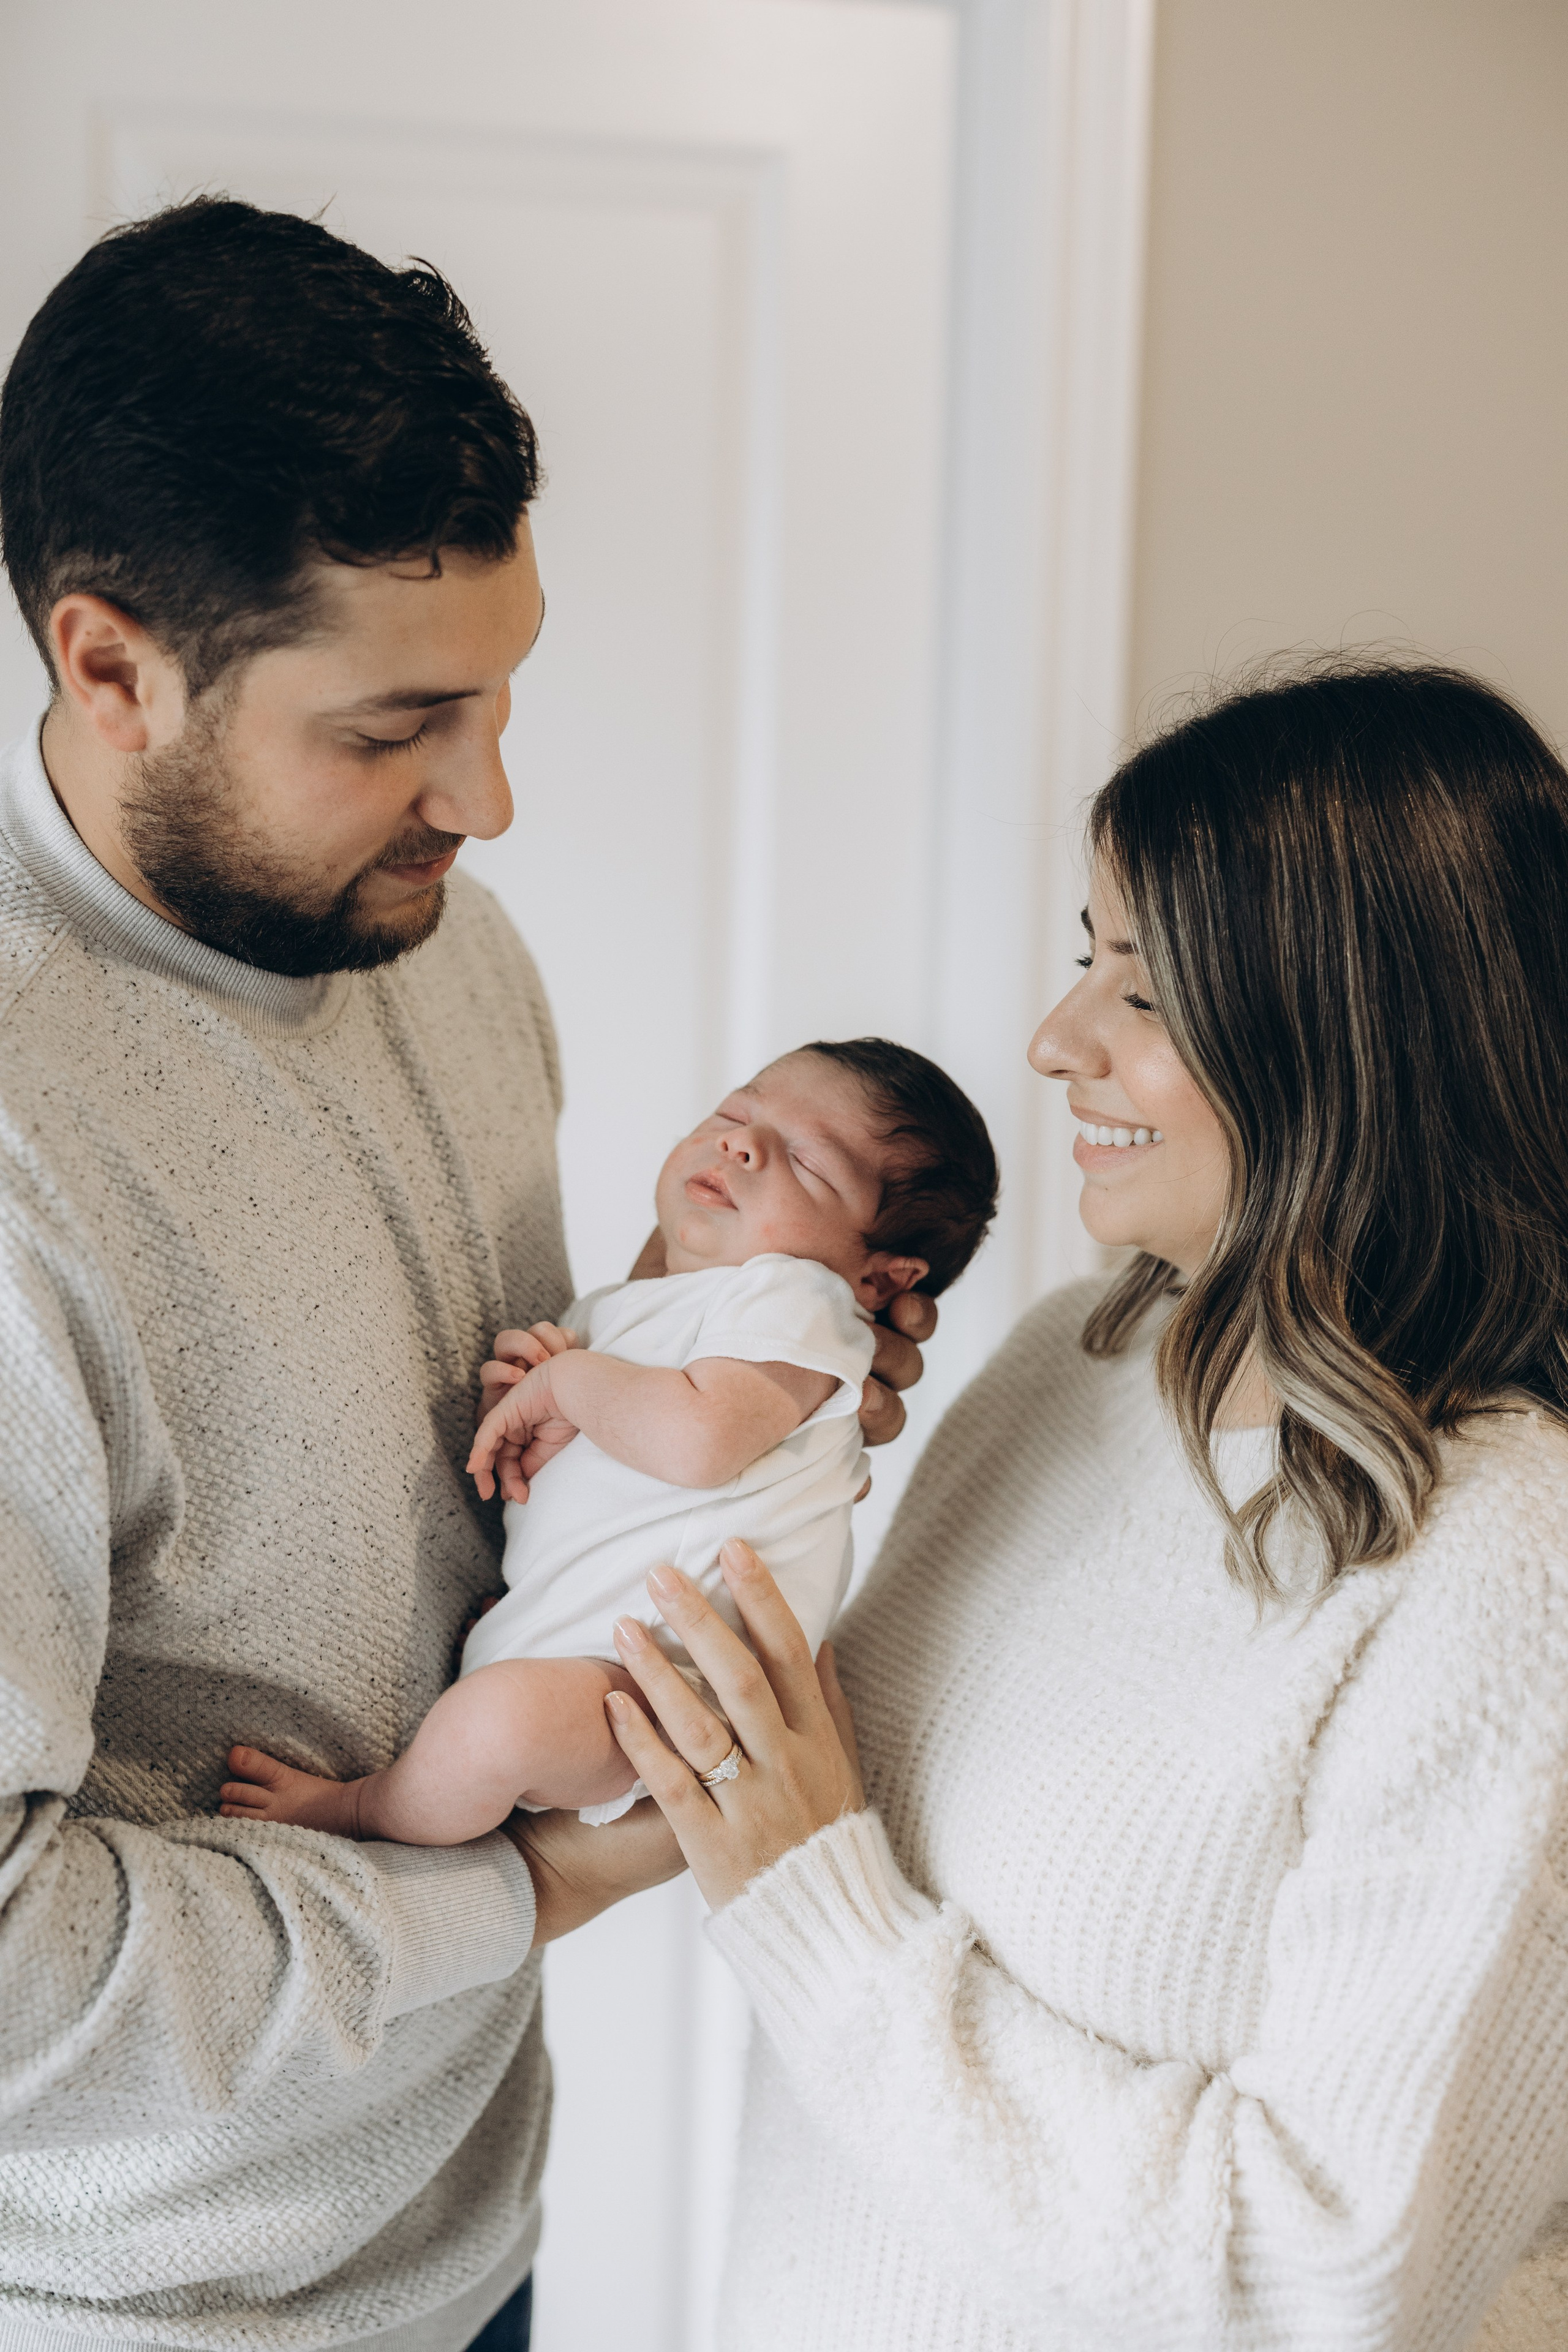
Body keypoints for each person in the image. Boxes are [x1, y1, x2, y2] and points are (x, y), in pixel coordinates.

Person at [0, 198, 930, 2352]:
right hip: (146, 2307)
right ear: (114, 666)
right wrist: (508, 1897)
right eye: (398, 726)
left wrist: (721, 1340)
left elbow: (427, 1419)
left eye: (504, 700)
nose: (488, 801)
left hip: (462, 2227)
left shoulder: (432, 943)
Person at [606, 661, 1568, 2350]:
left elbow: (1329, 2279)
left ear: (1350, 1037)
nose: (1056, 1042)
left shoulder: (1509, 1568)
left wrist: (822, 1915)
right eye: (1085, 955)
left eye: (1145, 986)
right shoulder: (1070, 1360)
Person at [216, 1040, 997, 1838]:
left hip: (669, 1683)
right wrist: (529, 1406)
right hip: (597, 1648)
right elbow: (605, 1461)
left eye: (804, 1161)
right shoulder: (623, 1307)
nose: (739, 1143)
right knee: (496, 1717)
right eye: (736, 1111)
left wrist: (564, 1386)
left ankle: (363, 1807)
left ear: (880, 1278)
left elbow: (696, 1442)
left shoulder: (800, 1297)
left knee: (494, 1729)